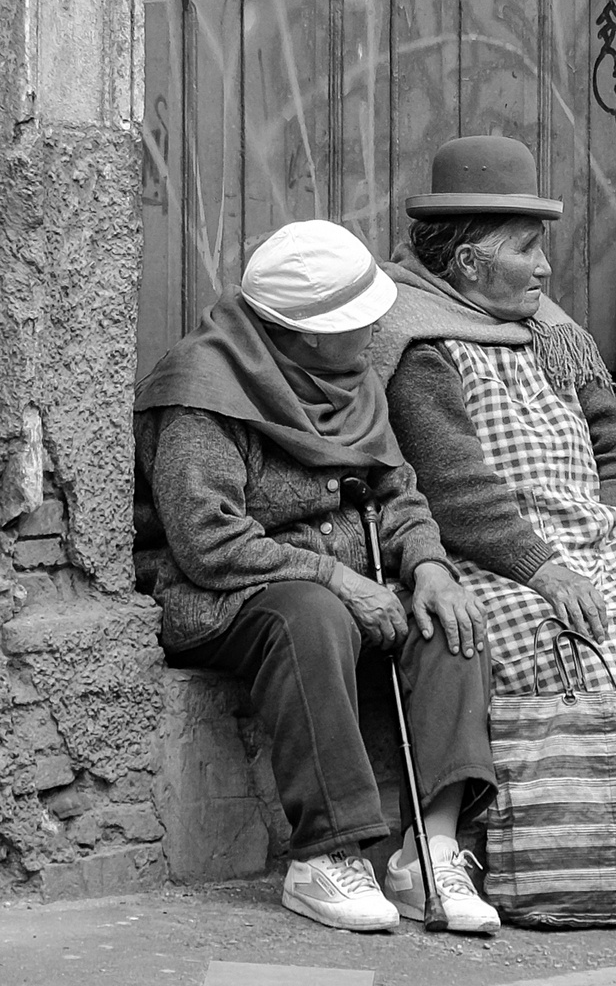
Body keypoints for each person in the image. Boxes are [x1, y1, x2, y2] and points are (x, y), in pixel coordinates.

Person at [134, 220, 500, 934]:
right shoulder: (201, 390)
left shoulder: (349, 376)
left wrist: (426, 563)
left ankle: (431, 852)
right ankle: (324, 856)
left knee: (449, 618)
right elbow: (208, 543)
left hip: (345, 589)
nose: (375, 325)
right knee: (311, 615)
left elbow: (399, 493)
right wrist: (338, 579)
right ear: (297, 333)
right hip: (230, 596)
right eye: (354, 319)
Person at [371, 135, 616, 721]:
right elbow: (455, 490)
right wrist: (545, 568)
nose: (547, 268)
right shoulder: (418, 338)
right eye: (527, 249)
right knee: (581, 639)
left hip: (602, 535)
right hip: (498, 557)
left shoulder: (548, 328)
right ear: (470, 262)